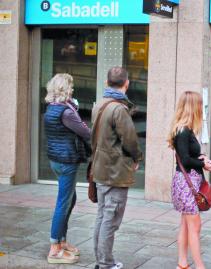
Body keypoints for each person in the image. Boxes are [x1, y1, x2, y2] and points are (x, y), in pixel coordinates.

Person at [91, 67, 143, 269]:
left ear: (107, 82)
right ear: (126, 83)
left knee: (102, 216)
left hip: (101, 169)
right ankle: (105, 263)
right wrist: (137, 157)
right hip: (115, 171)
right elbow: (129, 140)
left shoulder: (100, 105)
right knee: (110, 220)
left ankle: (100, 260)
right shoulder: (118, 109)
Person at [44, 73, 91, 264]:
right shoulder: (67, 112)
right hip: (66, 161)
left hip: (56, 160)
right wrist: (83, 123)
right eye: (71, 86)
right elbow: (86, 133)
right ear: (66, 89)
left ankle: (62, 241)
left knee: (70, 198)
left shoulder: (51, 108)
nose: (73, 89)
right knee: (63, 202)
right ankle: (55, 248)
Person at [167, 91, 211, 269]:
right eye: (199, 105)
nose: (201, 109)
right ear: (192, 107)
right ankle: (200, 266)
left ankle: (182, 264)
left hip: (186, 183)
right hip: (186, 184)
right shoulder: (183, 131)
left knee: (186, 226)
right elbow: (186, 159)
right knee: (195, 227)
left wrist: (203, 159)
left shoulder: (185, 129)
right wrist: (202, 164)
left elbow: (189, 155)